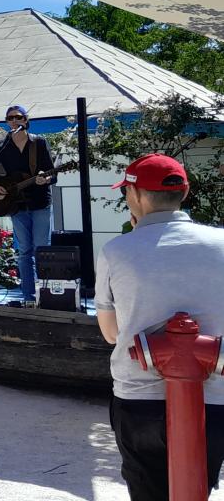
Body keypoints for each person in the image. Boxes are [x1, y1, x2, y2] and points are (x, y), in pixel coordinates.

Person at [95, 153, 224, 500]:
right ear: (184, 192)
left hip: (139, 400)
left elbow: (111, 333)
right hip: (214, 398)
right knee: (195, 489)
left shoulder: (116, 251)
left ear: (135, 195)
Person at [0, 104, 56, 305]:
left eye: (18, 117)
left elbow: (52, 174)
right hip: (17, 205)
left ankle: (46, 296)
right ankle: (29, 297)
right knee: (25, 252)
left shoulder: (38, 143)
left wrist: (44, 179)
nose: (14, 121)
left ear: (26, 120)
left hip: (40, 202)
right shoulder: (3, 146)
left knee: (41, 250)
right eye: (10, 118)